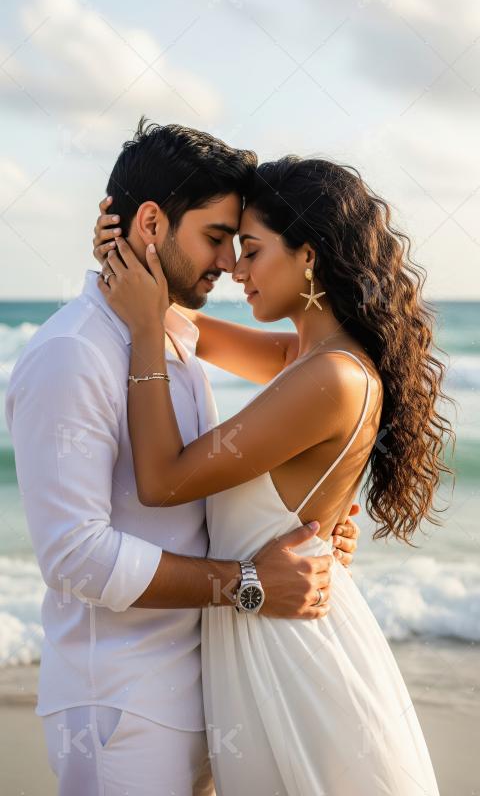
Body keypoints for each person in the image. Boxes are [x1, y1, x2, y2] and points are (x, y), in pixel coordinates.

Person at [5, 122, 359, 796]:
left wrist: (315, 520)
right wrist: (249, 581)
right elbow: (75, 555)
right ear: (150, 222)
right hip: (118, 700)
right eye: (217, 238)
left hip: (201, 682)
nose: (230, 264)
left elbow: (295, 373)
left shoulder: (166, 339)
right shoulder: (71, 354)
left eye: (239, 244)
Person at [97, 152, 454, 795]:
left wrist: (146, 333)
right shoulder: (308, 355)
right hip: (269, 632)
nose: (234, 268)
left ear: (308, 257)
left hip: (289, 657)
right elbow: (188, 327)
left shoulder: (330, 376)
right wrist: (125, 254)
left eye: (252, 251)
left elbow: (161, 480)